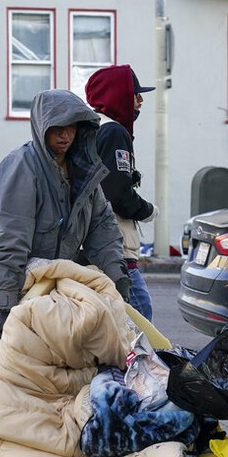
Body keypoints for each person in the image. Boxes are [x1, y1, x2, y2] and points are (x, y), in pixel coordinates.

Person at [0, 89, 129, 345]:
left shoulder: (84, 173)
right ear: (42, 127)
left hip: (44, 292)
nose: (65, 135)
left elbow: (103, 227)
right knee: (10, 374)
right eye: (57, 128)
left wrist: (117, 278)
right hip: (1, 288)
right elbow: (10, 238)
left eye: (71, 127)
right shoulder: (21, 168)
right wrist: (6, 301)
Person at [85, 64, 159, 320]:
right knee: (140, 315)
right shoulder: (114, 131)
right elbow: (116, 191)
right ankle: (134, 361)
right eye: (135, 94)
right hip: (115, 244)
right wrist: (147, 210)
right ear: (117, 95)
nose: (140, 101)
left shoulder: (91, 129)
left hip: (92, 241)